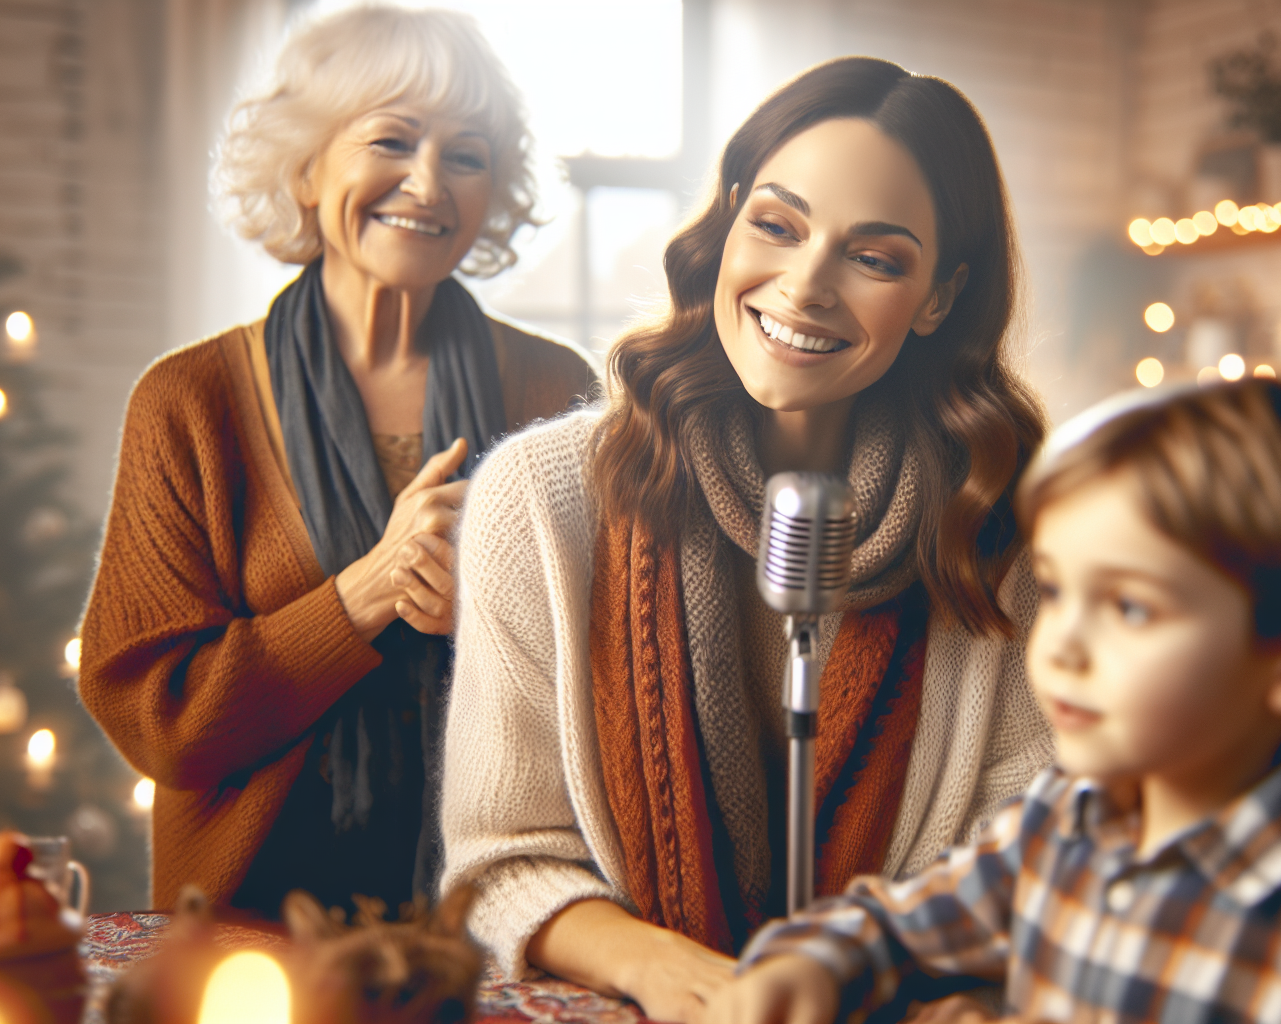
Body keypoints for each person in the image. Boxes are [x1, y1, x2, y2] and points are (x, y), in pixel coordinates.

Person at [438, 57, 1052, 1023]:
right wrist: (668, 973)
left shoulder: (1000, 531)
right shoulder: (545, 503)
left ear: (938, 296)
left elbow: (1035, 854)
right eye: (776, 224)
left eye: (876, 258)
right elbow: (501, 862)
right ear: (728, 222)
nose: (805, 286)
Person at [706, 379, 1281, 1024]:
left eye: (1130, 608)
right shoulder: (1057, 825)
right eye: (1059, 590)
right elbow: (898, 930)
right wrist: (816, 963)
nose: (1059, 644)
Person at [77, 6, 595, 919]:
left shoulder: (558, 390)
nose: (428, 182)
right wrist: (364, 595)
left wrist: (485, 621)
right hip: (250, 929)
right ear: (307, 168)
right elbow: (162, 721)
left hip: (500, 918)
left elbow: (621, 675)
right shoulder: (187, 402)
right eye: (392, 140)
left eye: (467, 155)